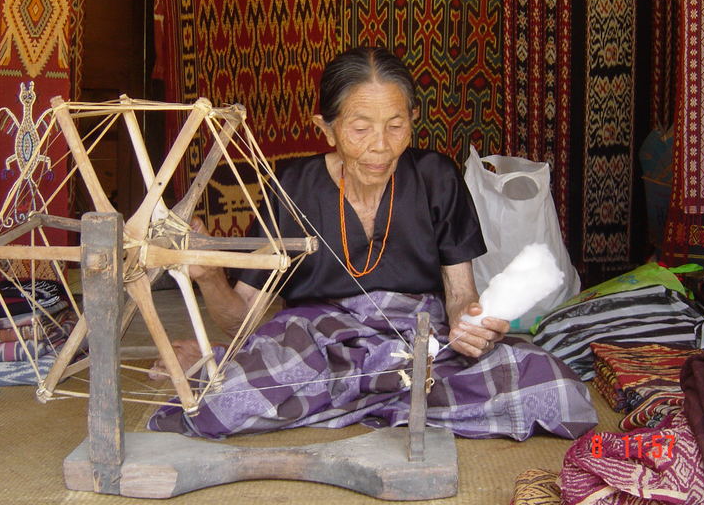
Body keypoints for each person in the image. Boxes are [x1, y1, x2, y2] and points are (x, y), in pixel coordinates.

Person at [148, 46, 597, 440]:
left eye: (396, 125)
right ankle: (379, 397)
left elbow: (461, 296)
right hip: (316, 346)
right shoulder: (291, 186)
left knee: (551, 387)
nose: (381, 147)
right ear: (325, 129)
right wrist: (207, 276)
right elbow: (241, 322)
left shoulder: (437, 178)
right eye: (361, 129)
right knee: (227, 402)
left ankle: (354, 399)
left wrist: (472, 325)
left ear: (412, 122)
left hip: (420, 343)